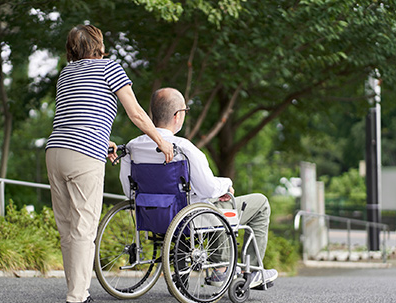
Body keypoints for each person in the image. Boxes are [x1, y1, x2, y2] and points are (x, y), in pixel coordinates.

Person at [45, 25, 174, 303]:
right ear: (98, 45)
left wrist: (103, 142)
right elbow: (136, 112)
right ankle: (77, 298)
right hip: (82, 155)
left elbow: (76, 115)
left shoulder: (66, 74)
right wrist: (161, 141)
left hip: (56, 151)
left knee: (69, 230)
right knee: (83, 228)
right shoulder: (109, 68)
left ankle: (75, 292)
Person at [119, 87, 278, 290]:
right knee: (257, 202)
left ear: (152, 114)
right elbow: (209, 188)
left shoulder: (133, 146)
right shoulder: (184, 148)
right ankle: (250, 270)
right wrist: (227, 183)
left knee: (213, 198)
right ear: (178, 116)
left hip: (152, 216)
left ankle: (224, 268)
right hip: (191, 218)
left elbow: (129, 191)